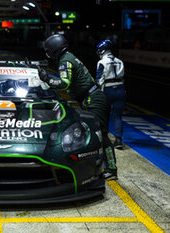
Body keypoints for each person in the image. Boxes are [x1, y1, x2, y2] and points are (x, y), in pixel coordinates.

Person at [39, 34, 118, 180]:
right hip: (89, 98)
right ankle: (99, 165)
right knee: (93, 133)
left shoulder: (65, 61)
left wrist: (47, 78)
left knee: (103, 134)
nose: (49, 54)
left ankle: (112, 169)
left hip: (93, 99)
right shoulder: (69, 57)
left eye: (49, 51)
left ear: (54, 49)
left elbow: (64, 84)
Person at [96, 39, 126, 149]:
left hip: (108, 90)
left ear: (102, 51)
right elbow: (123, 76)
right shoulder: (120, 61)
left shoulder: (101, 62)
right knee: (118, 116)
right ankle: (118, 140)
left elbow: (99, 80)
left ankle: (104, 138)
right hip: (120, 89)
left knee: (104, 114)